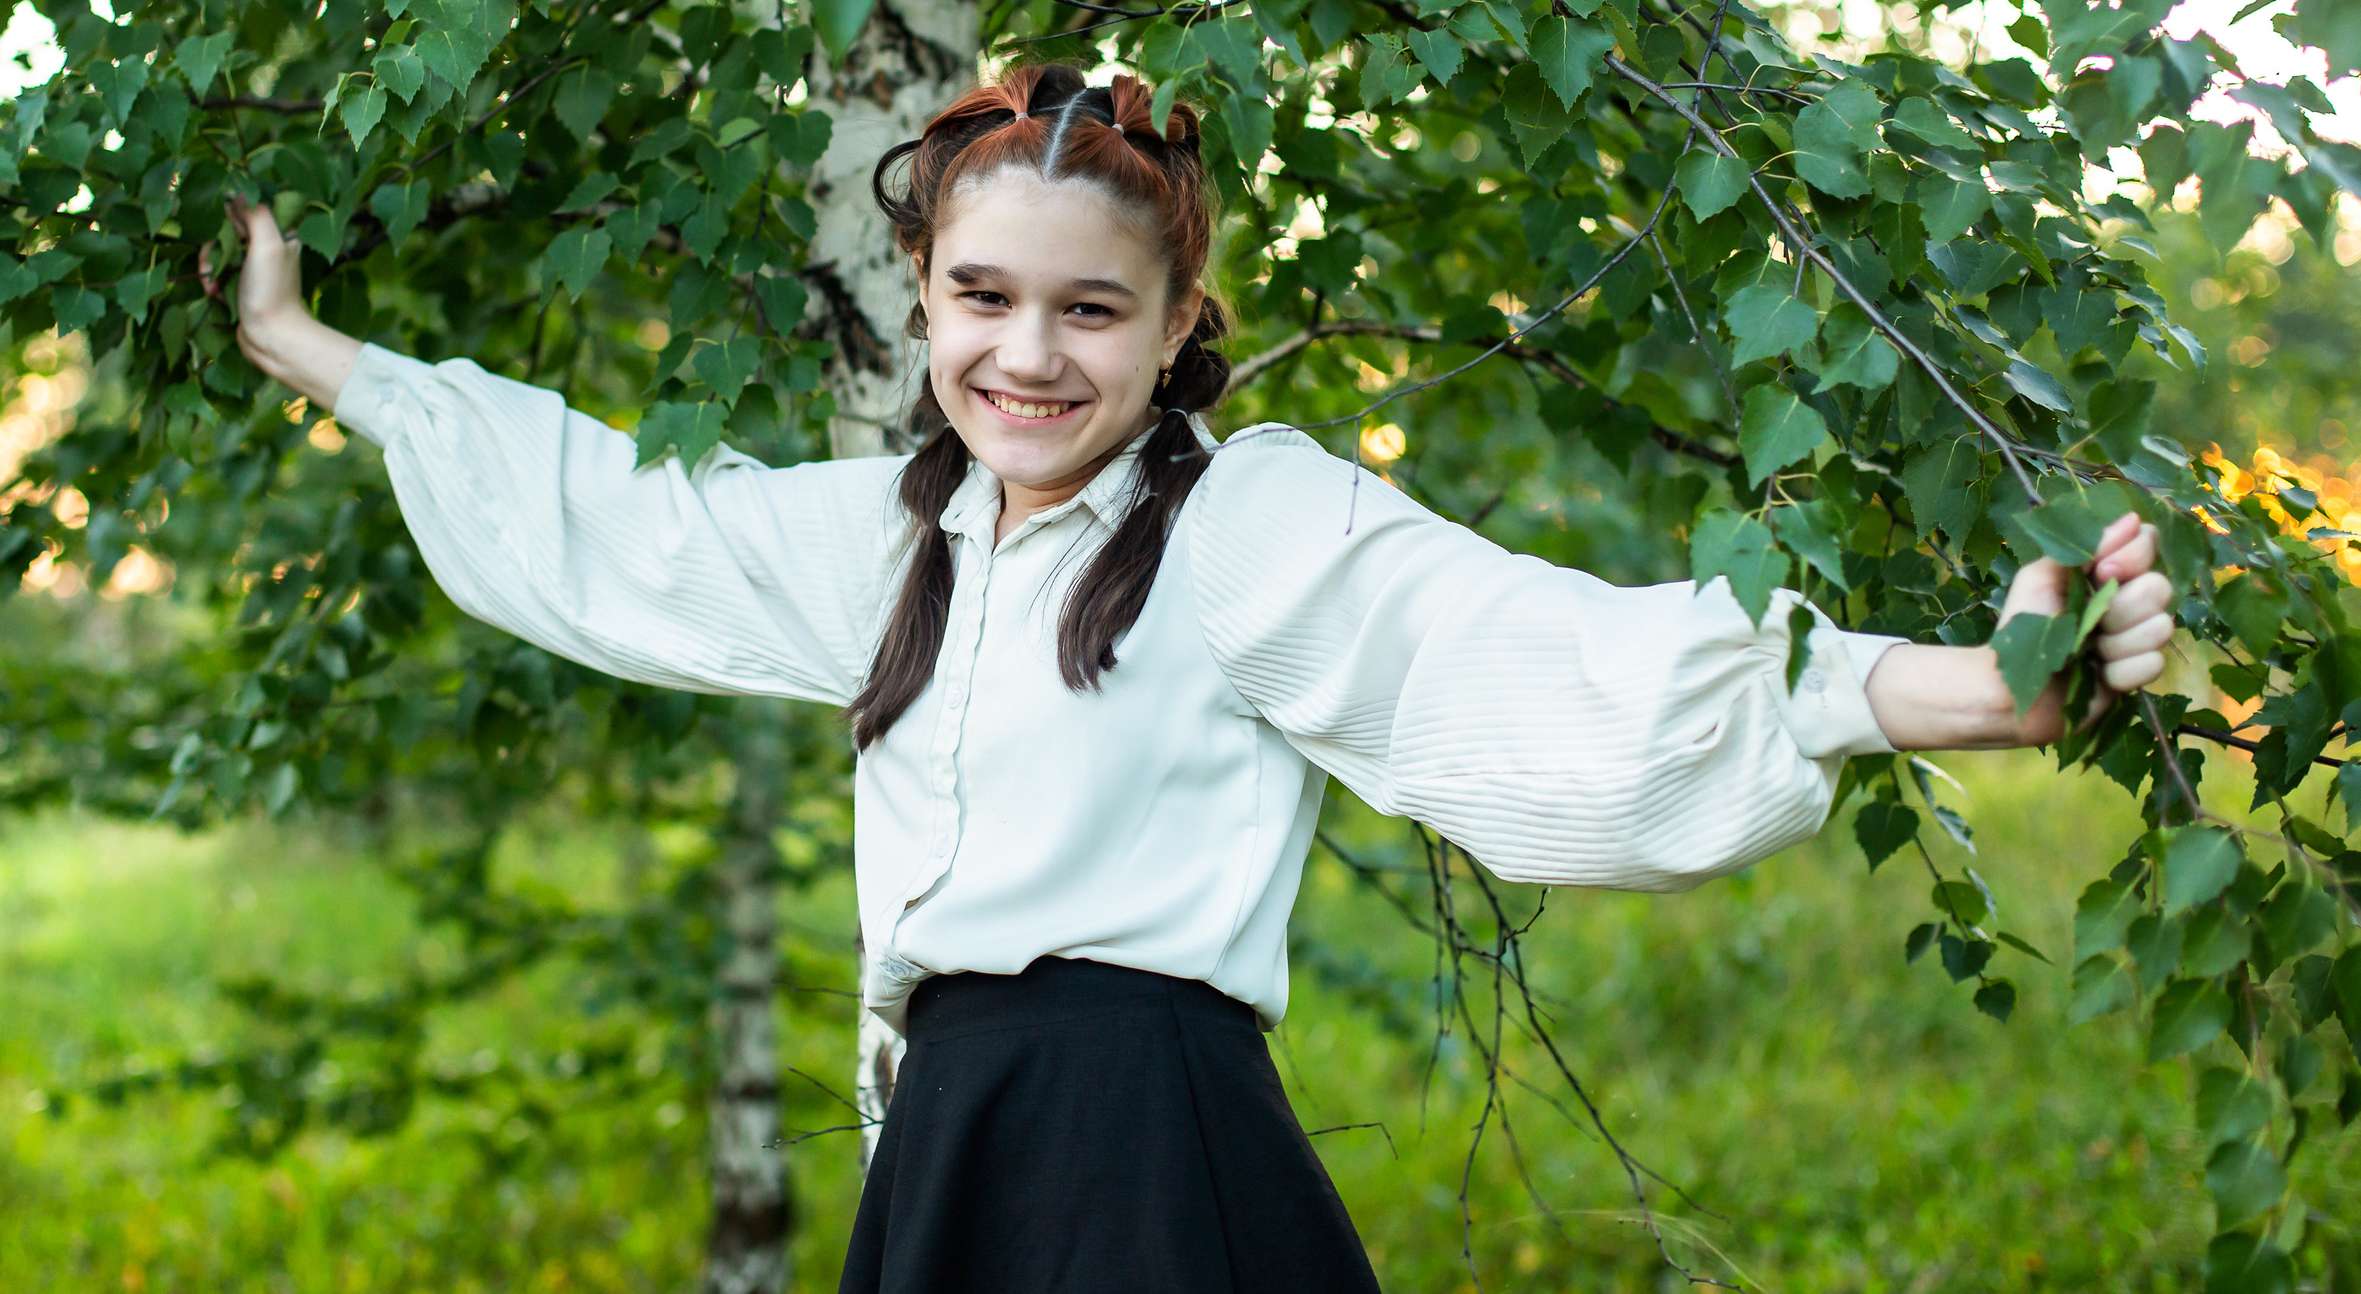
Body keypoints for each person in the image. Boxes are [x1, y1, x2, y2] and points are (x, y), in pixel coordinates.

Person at [215, 62, 2176, 1293]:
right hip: (949, 1146)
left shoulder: (1248, 525)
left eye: (1089, 309)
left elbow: (1526, 649)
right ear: (923, 299)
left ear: (1173, 326)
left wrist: (1955, 685)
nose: (1027, 356)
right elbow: (607, 514)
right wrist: (310, 346)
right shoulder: (889, 532)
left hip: (1141, 1146)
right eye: (981, 299)